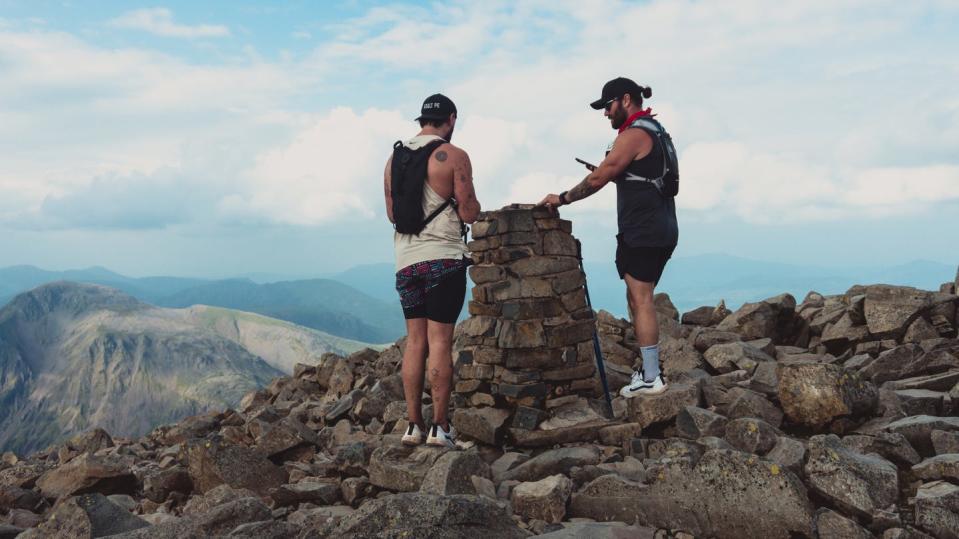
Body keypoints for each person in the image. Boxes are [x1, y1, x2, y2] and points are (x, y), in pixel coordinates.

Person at [538, 77, 679, 397]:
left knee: (641, 299)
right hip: (662, 225)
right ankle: (649, 368)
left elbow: (601, 175)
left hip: (643, 229)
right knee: (637, 296)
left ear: (625, 100)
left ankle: (652, 376)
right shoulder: (657, 132)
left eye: (607, 106)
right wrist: (617, 175)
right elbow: (644, 176)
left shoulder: (633, 134)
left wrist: (562, 198)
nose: (604, 113)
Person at [384, 93, 481, 447]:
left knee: (415, 342)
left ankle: (412, 426)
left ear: (421, 121)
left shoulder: (394, 159)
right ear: (451, 119)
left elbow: (393, 214)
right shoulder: (454, 157)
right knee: (440, 341)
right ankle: (440, 427)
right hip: (443, 258)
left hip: (406, 261)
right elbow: (470, 212)